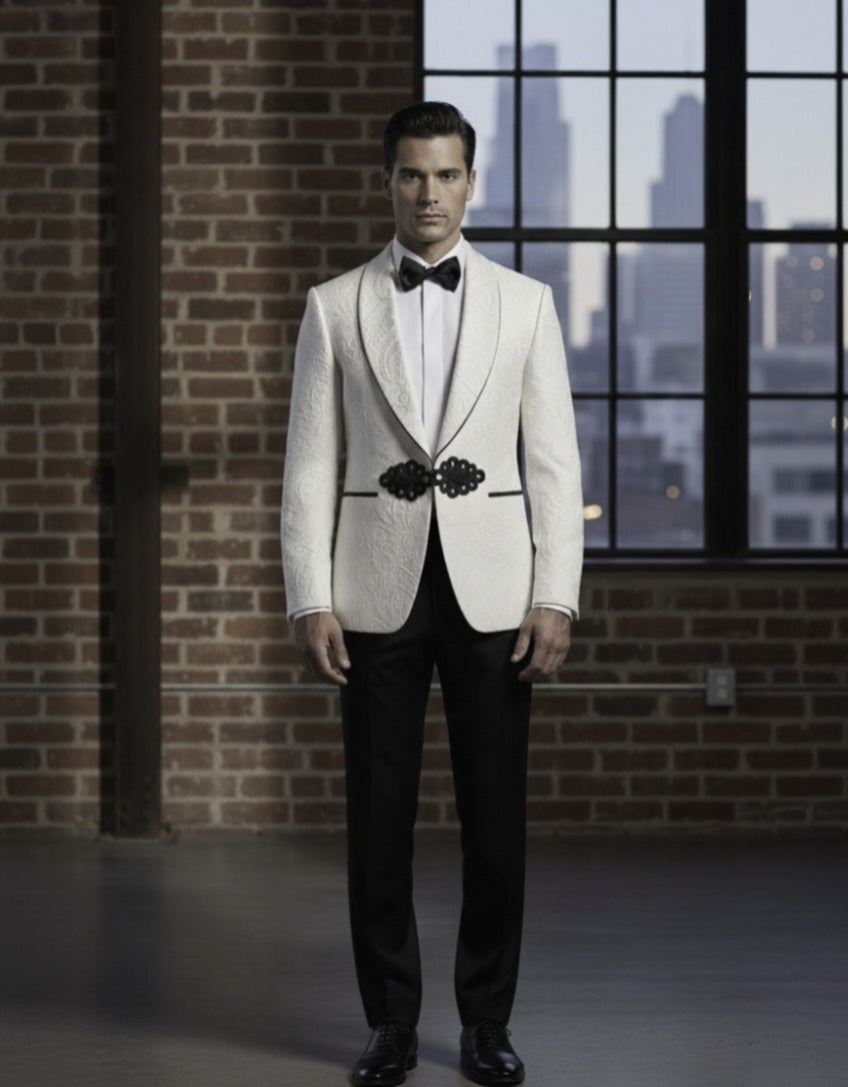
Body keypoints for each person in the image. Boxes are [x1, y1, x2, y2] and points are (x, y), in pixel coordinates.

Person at [281, 101, 583, 1087]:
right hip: (375, 585)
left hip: (495, 590)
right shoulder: (334, 306)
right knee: (379, 822)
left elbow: (552, 461)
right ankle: (390, 1024)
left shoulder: (525, 304)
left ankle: (487, 1022)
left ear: (470, 181)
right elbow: (309, 462)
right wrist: (308, 596)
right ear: (387, 182)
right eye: (411, 174)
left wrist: (556, 593)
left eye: (446, 174)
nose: (428, 193)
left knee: (495, 821)